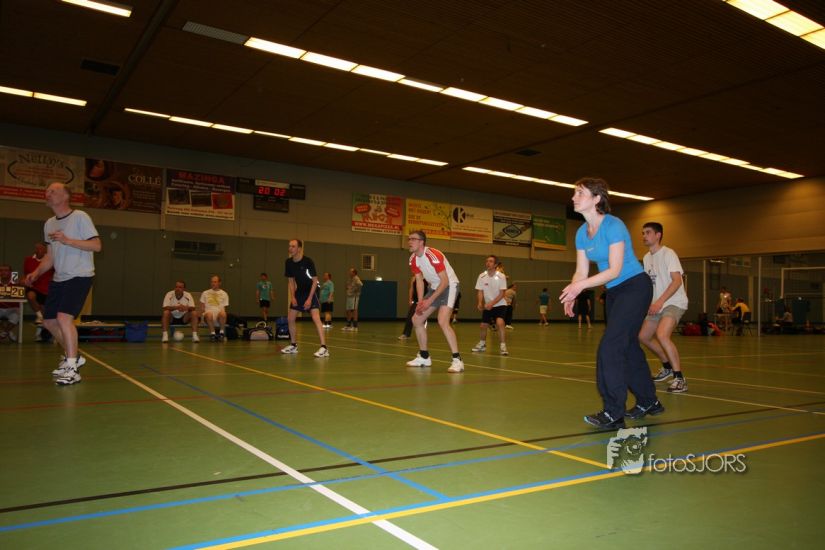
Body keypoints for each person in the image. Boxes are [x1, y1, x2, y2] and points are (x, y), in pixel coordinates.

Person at [560, 177, 663, 429]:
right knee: (628, 347)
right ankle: (649, 400)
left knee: (610, 347)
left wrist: (580, 286)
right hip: (615, 292)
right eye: (574, 193)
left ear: (596, 198)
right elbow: (581, 272)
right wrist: (573, 292)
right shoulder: (581, 233)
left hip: (635, 287)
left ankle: (613, 412)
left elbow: (615, 270)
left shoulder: (614, 225)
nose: (574, 197)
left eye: (580, 193)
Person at [24, 182, 101, 385]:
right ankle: (74, 356)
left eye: (53, 191)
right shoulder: (49, 224)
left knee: (64, 318)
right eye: (47, 191)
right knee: (49, 321)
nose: (47, 193)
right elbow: (50, 256)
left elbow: (97, 245)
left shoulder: (80, 217)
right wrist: (36, 272)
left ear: (66, 196)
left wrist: (68, 240)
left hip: (80, 275)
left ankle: (72, 368)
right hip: (60, 278)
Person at [638, 222, 689, 393]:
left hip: (674, 302)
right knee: (644, 336)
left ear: (658, 235)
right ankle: (667, 367)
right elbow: (650, 284)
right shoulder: (646, 257)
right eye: (643, 233)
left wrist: (659, 301)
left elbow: (677, 281)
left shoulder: (668, 253)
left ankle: (679, 378)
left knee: (662, 335)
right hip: (656, 304)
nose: (644, 236)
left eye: (648, 232)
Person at [405, 230, 464, 373]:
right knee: (417, 319)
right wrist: (420, 302)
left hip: (449, 286)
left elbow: (445, 281)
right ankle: (424, 357)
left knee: (442, 321)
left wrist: (429, 300)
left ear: (421, 242)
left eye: (413, 239)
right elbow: (419, 280)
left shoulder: (433, 255)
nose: (410, 241)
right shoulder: (413, 259)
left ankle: (457, 360)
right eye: (409, 239)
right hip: (434, 288)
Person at [282, 239, 328, 357]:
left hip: (312, 290)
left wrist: (309, 299)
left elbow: (315, 281)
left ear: (299, 248)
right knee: (290, 318)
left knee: (315, 317)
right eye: (289, 246)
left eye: (293, 246)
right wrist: (293, 297)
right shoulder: (288, 262)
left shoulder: (308, 261)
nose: (290, 248)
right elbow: (291, 281)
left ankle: (324, 348)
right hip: (299, 292)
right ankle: (293, 345)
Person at [471, 255, 509, 355]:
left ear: (495, 265)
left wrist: (492, 303)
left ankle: (503, 346)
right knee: (483, 325)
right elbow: (480, 291)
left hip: (500, 304)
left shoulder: (501, 276)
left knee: (500, 322)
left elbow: (502, 294)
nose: (488, 263)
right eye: (487, 261)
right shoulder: (481, 276)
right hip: (488, 305)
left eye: (491, 261)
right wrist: (480, 302)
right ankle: (482, 344)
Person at [23, 242, 53, 339]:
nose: (38, 250)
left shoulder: (50, 260)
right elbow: (26, 273)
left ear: (45, 250)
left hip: (47, 289)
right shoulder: (28, 260)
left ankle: (41, 333)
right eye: (36, 248)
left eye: (40, 248)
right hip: (34, 287)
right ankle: (39, 317)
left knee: (45, 312)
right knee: (31, 296)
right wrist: (26, 280)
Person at [200, 275, 229, 341]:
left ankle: (221, 333)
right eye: (212, 282)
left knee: (223, 313)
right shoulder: (205, 293)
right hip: (208, 317)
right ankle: (212, 334)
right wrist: (202, 318)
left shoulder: (224, 294)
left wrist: (223, 317)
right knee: (209, 314)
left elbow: (224, 308)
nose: (213, 283)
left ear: (219, 283)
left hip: (219, 317)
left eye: (215, 282)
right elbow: (202, 307)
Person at [399, 275, 427, 340]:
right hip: (416, 301)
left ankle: (422, 334)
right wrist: (410, 299)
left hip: (425, 301)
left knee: (423, 318)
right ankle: (406, 334)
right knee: (410, 317)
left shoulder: (427, 277)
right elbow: (411, 289)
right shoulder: (414, 278)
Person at [0, 264, 20, 343]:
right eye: (1, 270)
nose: (3, 272)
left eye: (6, 270)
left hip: (13, 308)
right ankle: (7, 331)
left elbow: (19, 296)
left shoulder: (15, 280)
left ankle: (4, 332)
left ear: (11, 272)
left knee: (17, 315)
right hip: (0, 308)